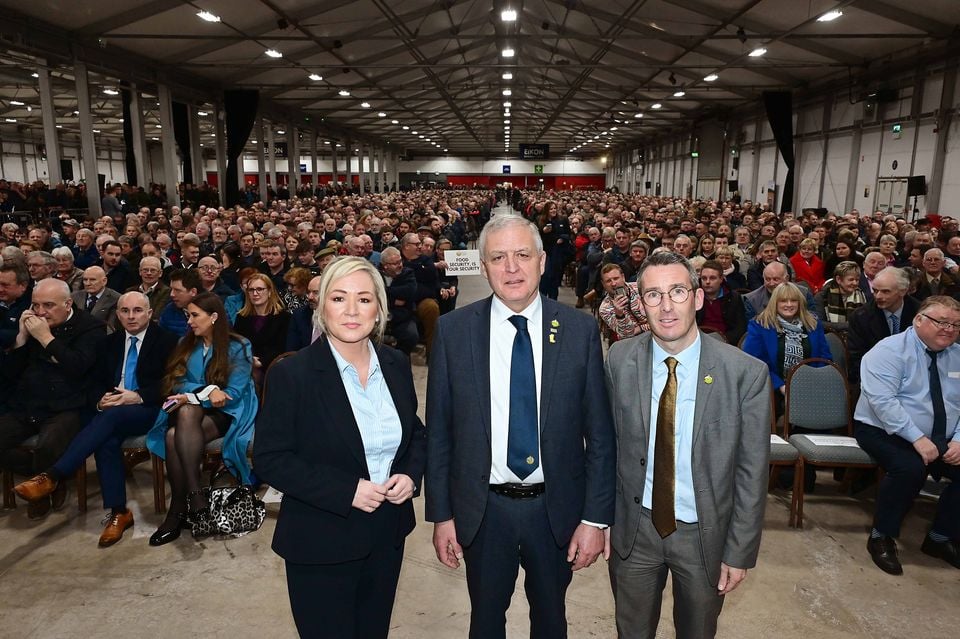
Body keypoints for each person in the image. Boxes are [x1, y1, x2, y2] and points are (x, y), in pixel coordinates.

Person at [426, 214, 616, 638]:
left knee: (551, 621)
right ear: (483, 265)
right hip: (483, 511)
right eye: (498, 257)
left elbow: (600, 434)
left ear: (543, 261)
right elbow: (439, 431)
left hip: (557, 511)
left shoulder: (578, 328)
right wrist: (441, 515)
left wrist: (596, 518)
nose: (511, 268)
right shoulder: (454, 330)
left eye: (522, 255)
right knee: (486, 621)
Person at [254, 256, 426, 639]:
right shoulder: (292, 374)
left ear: (379, 309)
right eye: (339, 298)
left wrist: (410, 476)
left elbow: (414, 433)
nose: (351, 310)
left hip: (387, 535)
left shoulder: (395, 364)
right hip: (321, 540)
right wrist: (346, 489)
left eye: (364, 299)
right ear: (320, 305)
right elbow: (270, 458)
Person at [604, 251, 770, 639]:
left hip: (704, 535)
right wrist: (601, 519)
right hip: (635, 529)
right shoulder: (619, 359)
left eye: (677, 292)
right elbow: (605, 447)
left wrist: (740, 550)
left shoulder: (745, 374)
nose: (665, 306)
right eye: (653, 295)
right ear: (639, 302)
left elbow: (752, 470)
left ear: (697, 298)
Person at [13, 292, 178, 545]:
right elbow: (91, 382)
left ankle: (53, 475)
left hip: (148, 409)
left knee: (111, 419)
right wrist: (100, 399)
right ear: (118, 313)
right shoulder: (108, 343)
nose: (131, 316)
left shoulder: (167, 341)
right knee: (106, 441)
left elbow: (171, 383)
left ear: (149, 313)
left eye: (137, 310)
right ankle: (119, 512)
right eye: (125, 311)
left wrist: (137, 396)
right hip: (112, 409)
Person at [855, 296, 960, 575]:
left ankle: (940, 537)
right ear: (919, 320)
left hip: (943, 436)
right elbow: (882, 402)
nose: (949, 329)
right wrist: (917, 438)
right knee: (909, 467)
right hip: (882, 429)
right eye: (942, 322)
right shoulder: (888, 351)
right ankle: (881, 535)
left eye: (956, 325)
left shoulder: (957, 355)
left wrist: (959, 440)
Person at [145, 292, 258, 546]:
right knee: (177, 430)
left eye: (195, 316)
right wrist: (206, 391)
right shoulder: (186, 344)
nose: (189, 322)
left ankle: (179, 510)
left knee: (178, 429)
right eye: (188, 315)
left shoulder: (238, 346)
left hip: (228, 412)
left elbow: (233, 393)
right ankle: (193, 497)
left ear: (214, 317)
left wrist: (197, 394)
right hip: (195, 416)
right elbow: (175, 382)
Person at [0, 279, 106, 518]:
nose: (40, 312)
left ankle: (43, 488)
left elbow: (78, 367)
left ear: (68, 304)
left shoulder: (90, 327)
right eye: (35, 305)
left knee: (49, 444)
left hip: (69, 404)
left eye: (48, 305)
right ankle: (47, 477)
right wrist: (21, 339)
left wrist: (46, 338)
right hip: (29, 403)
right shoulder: (32, 326)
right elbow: (10, 373)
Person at [742, 282, 831, 415]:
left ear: (799, 303)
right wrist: (780, 386)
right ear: (775, 303)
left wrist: (812, 383)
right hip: (771, 387)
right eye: (783, 301)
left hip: (810, 385)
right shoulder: (759, 325)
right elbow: (754, 364)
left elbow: (824, 358)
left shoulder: (813, 323)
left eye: (793, 300)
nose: (789, 305)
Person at [846, 267, 919, 385]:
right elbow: (857, 357)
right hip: (875, 377)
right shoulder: (861, 316)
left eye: (886, 291)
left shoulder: (920, 313)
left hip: (914, 378)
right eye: (875, 291)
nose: (878, 296)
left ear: (903, 291)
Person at [233, 273, 291, 389]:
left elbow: (282, 347)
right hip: (246, 363)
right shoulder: (241, 317)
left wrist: (261, 362)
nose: (255, 293)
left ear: (269, 292)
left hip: (273, 364)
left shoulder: (284, 317)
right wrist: (249, 359)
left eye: (260, 289)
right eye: (251, 290)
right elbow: (236, 344)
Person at [696, 259, 747, 345]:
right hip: (699, 342)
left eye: (712, 278)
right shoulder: (694, 298)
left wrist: (722, 342)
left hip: (727, 343)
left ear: (721, 279)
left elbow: (740, 328)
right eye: (704, 278)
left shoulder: (733, 298)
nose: (707, 282)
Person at [814, 261, 867, 333]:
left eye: (857, 280)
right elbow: (819, 323)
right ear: (838, 279)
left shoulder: (861, 294)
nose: (855, 283)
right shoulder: (822, 297)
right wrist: (847, 326)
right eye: (851, 280)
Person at [598, 263, 648, 340]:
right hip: (632, 342)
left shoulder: (640, 288)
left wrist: (640, 328)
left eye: (616, 278)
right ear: (603, 284)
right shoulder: (604, 309)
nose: (613, 284)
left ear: (623, 277)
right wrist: (619, 315)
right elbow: (627, 335)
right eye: (608, 281)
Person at [71, 266, 120, 331]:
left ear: (104, 281)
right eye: (85, 280)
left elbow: (111, 327)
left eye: (92, 280)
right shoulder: (74, 297)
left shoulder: (116, 298)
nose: (88, 283)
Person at [157, 269, 201, 337]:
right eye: (171, 289)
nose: (172, 294)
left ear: (193, 292)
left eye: (177, 290)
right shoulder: (169, 310)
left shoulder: (208, 309)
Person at [285, 274, 322, 351]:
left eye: (316, 292)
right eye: (308, 292)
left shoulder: (337, 316)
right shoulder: (299, 315)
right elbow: (291, 349)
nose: (310, 297)